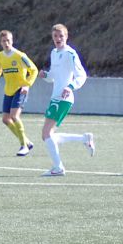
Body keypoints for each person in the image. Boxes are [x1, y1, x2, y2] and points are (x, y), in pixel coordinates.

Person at [38, 23, 94, 177]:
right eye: (55, 36)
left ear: (66, 37)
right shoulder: (54, 53)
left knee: (46, 133)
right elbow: (54, 76)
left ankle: (58, 168)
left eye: (61, 36)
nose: (58, 39)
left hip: (65, 98)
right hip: (55, 97)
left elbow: (81, 75)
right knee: (48, 135)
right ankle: (84, 138)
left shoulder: (70, 53)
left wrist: (70, 86)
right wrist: (46, 76)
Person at [0, 30, 38, 156]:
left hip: (20, 89)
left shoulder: (19, 55)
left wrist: (27, 84)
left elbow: (34, 70)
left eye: (8, 40)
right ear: (0, 42)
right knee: (5, 119)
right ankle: (27, 142)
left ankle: (23, 145)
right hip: (9, 90)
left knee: (14, 116)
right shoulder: (0, 56)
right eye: (4, 41)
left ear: (12, 41)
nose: (6, 43)